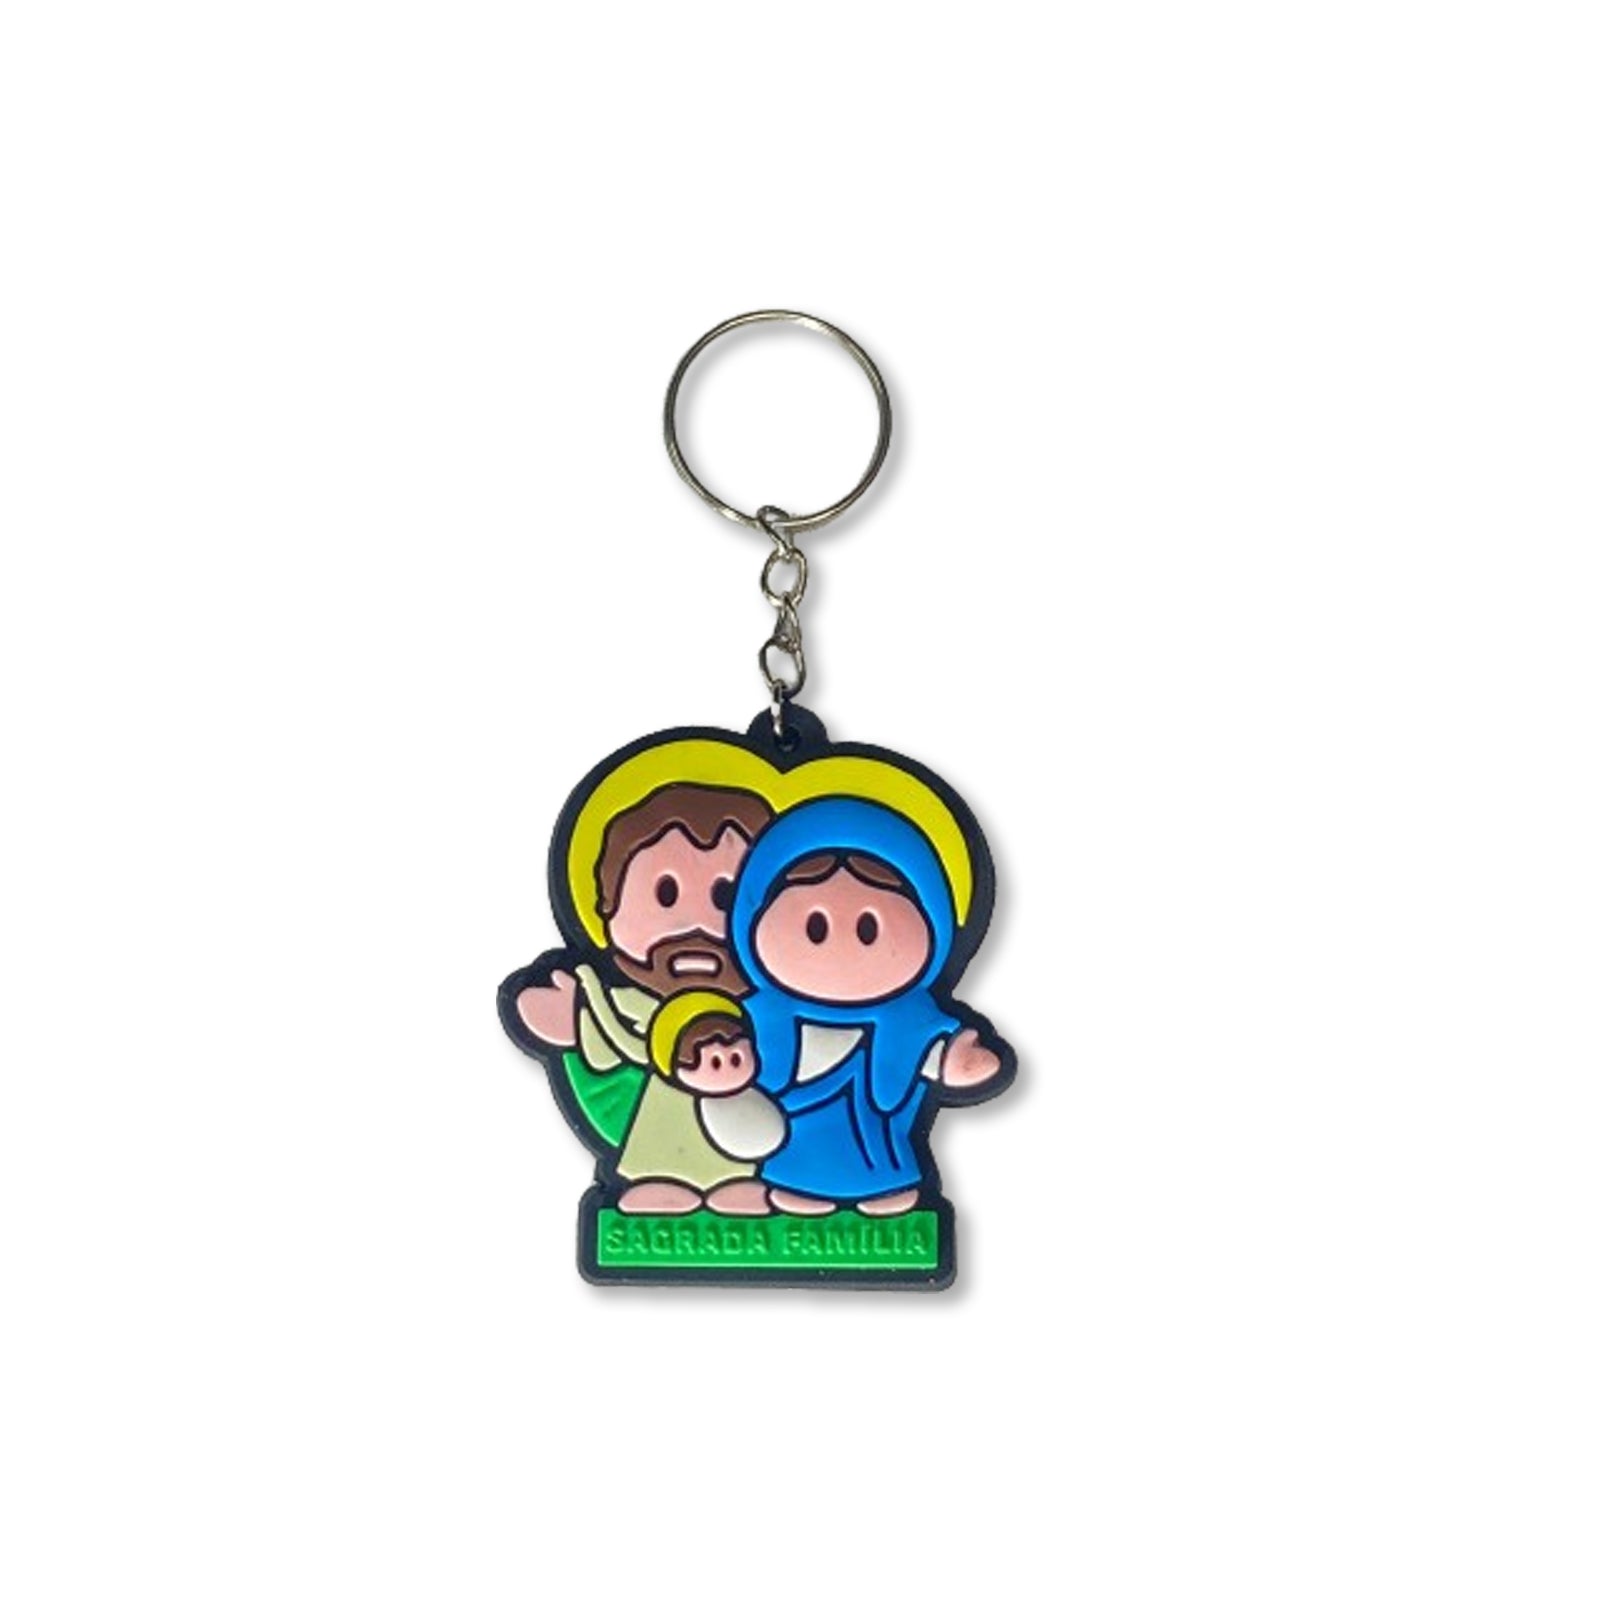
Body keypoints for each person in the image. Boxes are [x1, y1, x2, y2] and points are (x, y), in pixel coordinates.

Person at [729, 795, 1009, 1216]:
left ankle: (880, 1191)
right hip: (794, 1156)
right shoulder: (764, 1017)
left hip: (884, 1159)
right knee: (798, 1171)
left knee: (883, 1171)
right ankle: (799, 1187)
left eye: (867, 927)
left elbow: (934, 1057)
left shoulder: (910, 1020)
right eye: (815, 926)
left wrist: (958, 1061)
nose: (840, 946)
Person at [508, 782, 774, 1214]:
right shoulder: (631, 1001)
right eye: (665, 894)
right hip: (659, 1125)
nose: (697, 925)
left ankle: (736, 1182)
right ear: (608, 910)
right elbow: (611, 1039)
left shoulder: (767, 1008)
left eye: (724, 897)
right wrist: (575, 1014)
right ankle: (659, 1181)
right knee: (661, 1152)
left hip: (743, 1133)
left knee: (738, 1158)